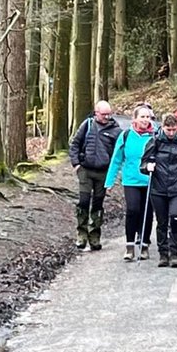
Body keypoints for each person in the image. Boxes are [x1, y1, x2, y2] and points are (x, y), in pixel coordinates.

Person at [140, 114, 177, 268]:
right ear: (162, 128)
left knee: (176, 218)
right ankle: (163, 253)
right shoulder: (155, 142)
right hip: (159, 189)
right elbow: (143, 164)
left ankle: (175, 252)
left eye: (173, 130)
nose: (171, 133)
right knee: (162, 222)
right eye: (168, 130)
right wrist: (147, 167)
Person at [105, 104, 157, 261]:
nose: (145, 120)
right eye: (142, 116)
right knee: (133, 210)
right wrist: (110, 181)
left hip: (150, 181)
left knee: (147, 213)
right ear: (135, 119)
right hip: (131, 180)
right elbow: (117, 159)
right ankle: (129, 246)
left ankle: (144, 244)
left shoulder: (155, 135)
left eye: (147, 117)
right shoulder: (126, 135)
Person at [69, 100, 122, 251]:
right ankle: (81, 234)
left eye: (108, 114)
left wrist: (114, 175)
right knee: (84, 201)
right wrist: (76, 164)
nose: (106, 117)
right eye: (103, 114)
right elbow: (74, 144)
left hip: (103, 172)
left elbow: (118, 154)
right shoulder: (87, 125)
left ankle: (95, 236)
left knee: (98, 203)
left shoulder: (116, 130)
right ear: (96, 112)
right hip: (85, 170)